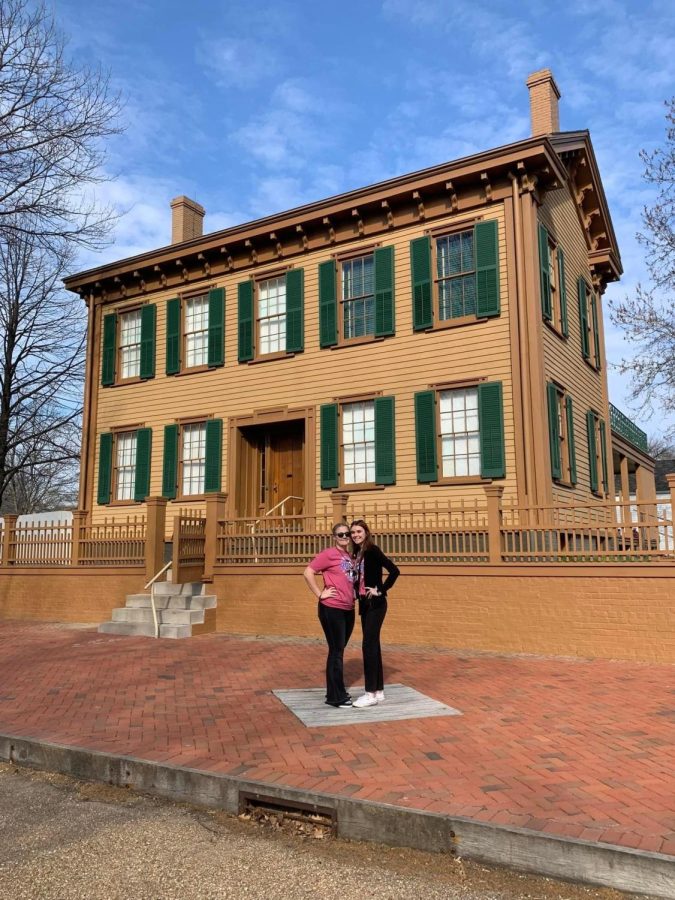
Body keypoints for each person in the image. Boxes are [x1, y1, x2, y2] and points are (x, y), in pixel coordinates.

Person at [303, 524, 357, 708]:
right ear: (335, 537)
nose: (345, 537)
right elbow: (308, 572)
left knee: (339, 650)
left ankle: (336, 691)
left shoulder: (350, 556)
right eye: (340, 534)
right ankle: (336, 697)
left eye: (347, 534)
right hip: (331, 608)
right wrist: (320, 593)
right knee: (336, 651)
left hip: (348, 609)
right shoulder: (328, 554)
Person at [349, 520, 400, 709]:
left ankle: (369, 693)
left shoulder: (372, 550)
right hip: (365, 604)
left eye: (359, 531)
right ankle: (378, 691)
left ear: (366, 532)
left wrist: (381, 589)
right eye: (353, 532)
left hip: (377, 604)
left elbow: (394, 571)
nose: (355, 535)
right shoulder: (357, 553)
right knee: (373, 645)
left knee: (368, 645)